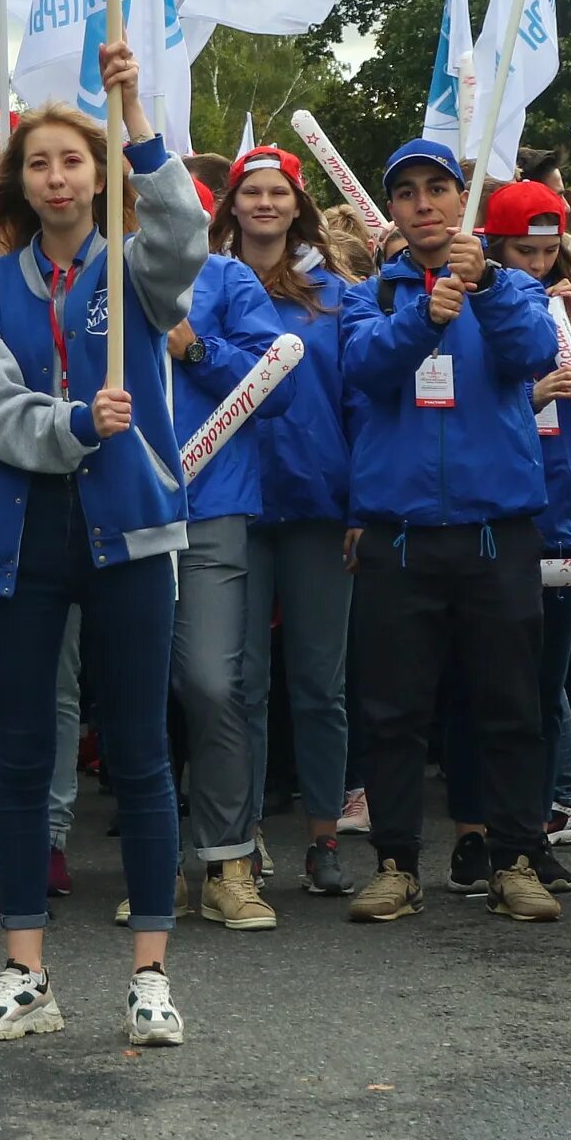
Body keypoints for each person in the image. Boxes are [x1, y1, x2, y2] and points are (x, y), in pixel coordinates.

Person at [0, 42, 204, 1045]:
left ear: (97, 175)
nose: (57, 176)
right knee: (21, 755)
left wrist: (133, 111)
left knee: (138, 751)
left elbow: (182, 228)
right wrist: (73, 427)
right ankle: (25, 970)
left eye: (73, 159)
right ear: (20, 180)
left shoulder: (135, 271)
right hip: (19, 537)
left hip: (131, 530)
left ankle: (149, 973)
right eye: (40, 161)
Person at [337, 139, 564, 928]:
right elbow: (361, 369)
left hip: (496, 532)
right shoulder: (370, 296)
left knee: (507, 706)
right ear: (392, 209)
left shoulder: (515, 287)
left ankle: (515, 859)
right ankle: (397, 864)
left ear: (461, 201)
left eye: (439, 188)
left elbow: (535, 352)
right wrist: (419, 324)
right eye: (407, 192)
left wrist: (489, 285)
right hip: (398, 538)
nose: (424, 203)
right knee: (393, 712)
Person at [209, 146, 359, 899]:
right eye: (251, 192)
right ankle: (244, 837)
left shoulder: (337, 293)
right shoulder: (203, 285)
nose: (264, 203)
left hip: (318, 501)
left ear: (297, 205)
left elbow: (360, 401)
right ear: (231, 204)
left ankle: (324, 837)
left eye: (278, 193)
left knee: (318, 682)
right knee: (238, 680)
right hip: (232, 496)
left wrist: (363, 502)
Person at [478, 180, 571, 895]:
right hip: (499, 514)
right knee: (503, 677)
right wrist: (529, 392)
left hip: (564, 520)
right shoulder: (486, 301)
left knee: (545, 675)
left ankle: (556, 805)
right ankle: (513, 821)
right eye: (520, 252)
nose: (535, 265)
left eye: (545, 251)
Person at [164, 159, 287, 930]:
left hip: (210, 508)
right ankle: (163, 869)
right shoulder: (96, 280)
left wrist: (196, 350)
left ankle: (228, 863)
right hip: (119, 511)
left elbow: (278, 381)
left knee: (214, 684)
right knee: (140, 696)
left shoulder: (228, 281)